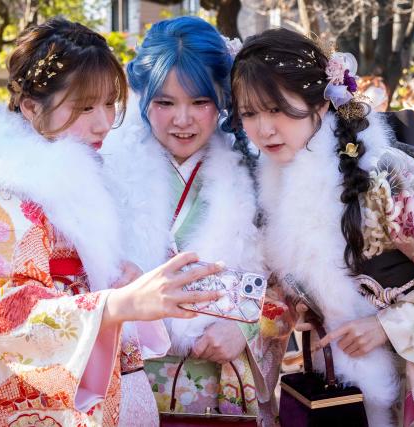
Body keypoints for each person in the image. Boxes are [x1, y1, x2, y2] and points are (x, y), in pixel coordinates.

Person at [0, 18, 224, 426]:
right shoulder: (5, 188)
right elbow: (4, 310)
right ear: (31, 106)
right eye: (85, 107)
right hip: (31, 392)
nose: (103, 122)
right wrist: (116, 302)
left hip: (91, 376)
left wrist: (117, 279)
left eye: (109, 104)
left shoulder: (76, 168)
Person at [230, 28, 414, 426]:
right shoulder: (275, 177)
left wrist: (387, 326)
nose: (264, 129)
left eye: (277, 109)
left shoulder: (383, 175)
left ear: (321, 104)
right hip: (350, 375)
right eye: (250, 113)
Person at [102, 16, 295, 426]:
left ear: (222, 99)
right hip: (125, 375)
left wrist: (245, 329)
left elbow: (289, 281)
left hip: (219, 377)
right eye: (165, 103)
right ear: (142, 99)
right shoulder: (105, 166)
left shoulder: (257, 170)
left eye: (200, 102)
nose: (183, 120)